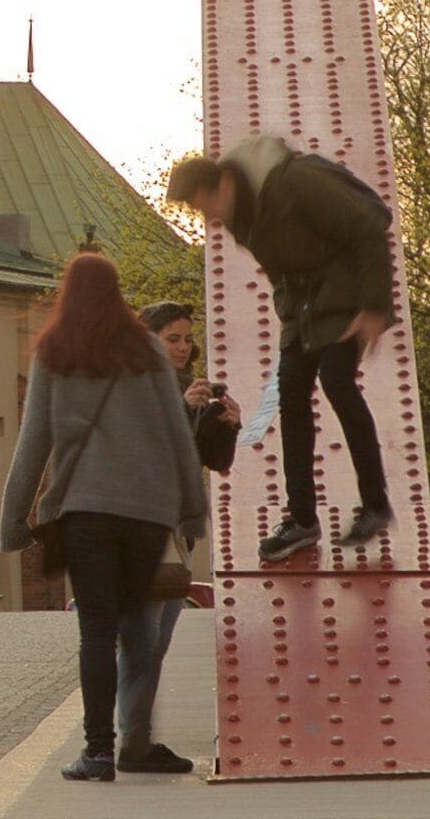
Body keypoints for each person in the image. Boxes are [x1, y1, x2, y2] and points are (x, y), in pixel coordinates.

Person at [0, 255, 212, 784]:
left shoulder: (55, 353)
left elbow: (34, 442)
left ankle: (97, 752)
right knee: (139, 631)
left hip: (84, 515)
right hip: (146, 515)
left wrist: (14, 520)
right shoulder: (147, 353)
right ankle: (136, 739)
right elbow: (176, 436)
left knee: (95, 634)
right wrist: (192, 510)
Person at [166, 136, 398, 562]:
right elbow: (283, 272)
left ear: (223, 184)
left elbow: (367, 228)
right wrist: (291, 317)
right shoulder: (241, 217)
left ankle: (376, 504)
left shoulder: (295, 182)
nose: (209, 219)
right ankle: (303, 520)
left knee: (337, 382)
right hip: (303, 310)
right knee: (290, 395)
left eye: (205, 206)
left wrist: (374, 307)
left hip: (347, 297)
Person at [115, 300, 241, 775]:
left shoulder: (187, 388)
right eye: (172, 338)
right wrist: (182, 410)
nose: (184, 347)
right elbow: (147, 454)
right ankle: (132, 743)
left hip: (175, 534)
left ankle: (137, 739)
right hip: (139, 529)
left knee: (157, 642)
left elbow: (210, 461)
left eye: (188, 338)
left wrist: (227, 427)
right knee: (141, 640)